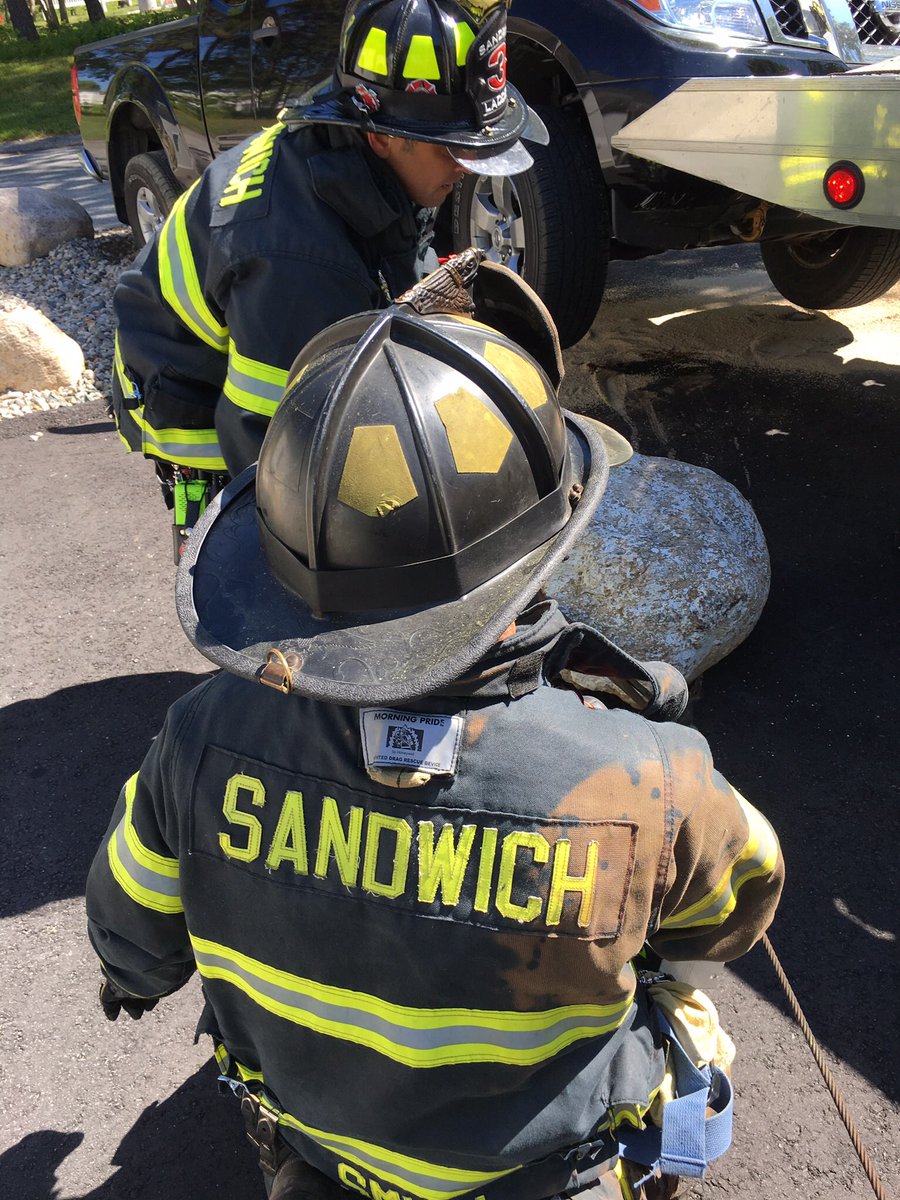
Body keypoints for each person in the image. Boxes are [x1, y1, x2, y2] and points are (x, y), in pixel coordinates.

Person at [86, 283, 784, 1200]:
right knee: (691, 1013)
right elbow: (734, 907)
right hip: (542, 1177)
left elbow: (131, 933)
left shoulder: (201, 736)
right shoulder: (655, 780)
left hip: (319, 1150)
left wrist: (133, 978)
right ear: (544, 550)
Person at [108, 0, 549, 555]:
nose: (466, 167)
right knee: (262, 554)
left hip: (264, 322)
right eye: (454, 147)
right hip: (186, 389)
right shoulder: (300, 263)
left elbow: (396, 289)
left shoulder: (365, 158)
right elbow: (272, 436)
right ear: (384, 135)